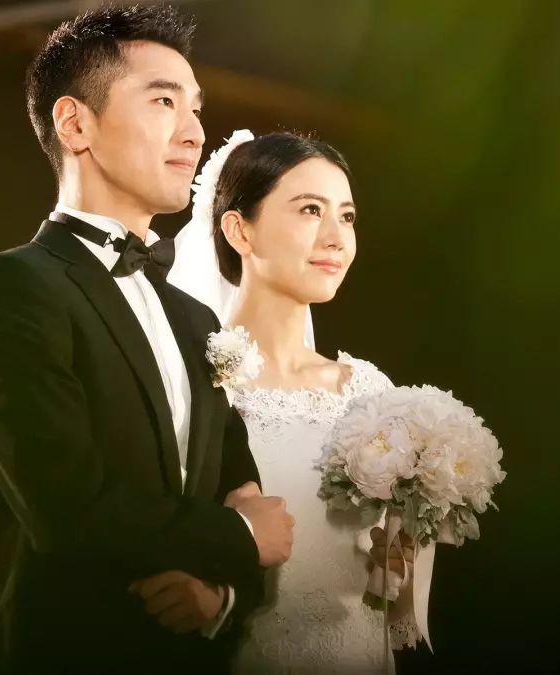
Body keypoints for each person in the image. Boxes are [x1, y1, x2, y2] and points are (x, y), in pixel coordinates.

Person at [0, 7, 294, 673]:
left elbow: (241, 492)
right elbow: (66, 509)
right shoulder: (8, 289)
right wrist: (240, 536)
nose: (194, 133)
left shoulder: (197, 320)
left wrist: (220, 597)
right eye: (164, 101)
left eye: (195, 109)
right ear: (75, 124)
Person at [165, 130, 421, 673]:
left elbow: (395, 591)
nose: (336, 238)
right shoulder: (198, 384)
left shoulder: (371, 392)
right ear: (239, 230)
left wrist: (402, 558)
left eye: (347, 217)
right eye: (310, 210)